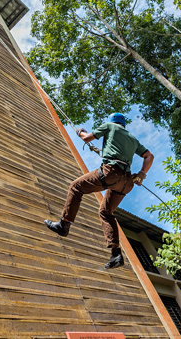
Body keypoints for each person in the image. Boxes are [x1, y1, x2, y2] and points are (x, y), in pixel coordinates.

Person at [44, 112, 154, 269]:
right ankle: (116, 254)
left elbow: (87, 138)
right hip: (126, 182)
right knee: (106, 212)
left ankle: (64, 224)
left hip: (111, 173)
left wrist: (81, 132)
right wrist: (142, 174)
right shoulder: (133, 139)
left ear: (112, 121)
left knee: (75, 187)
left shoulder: (110, 126)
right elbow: (149, 156)